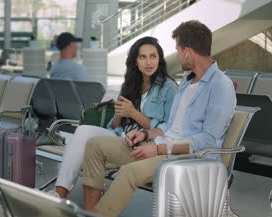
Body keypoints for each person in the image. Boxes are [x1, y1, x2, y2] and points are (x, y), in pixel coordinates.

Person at [82, 20, 236, 217]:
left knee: (129, 172)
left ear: (187, 51)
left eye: (178, 51)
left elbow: (206, 140)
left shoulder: (220, 86)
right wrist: (145, 133)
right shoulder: (187, 81)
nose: (178, 56)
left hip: (188, 158)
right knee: (95, 145)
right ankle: (88, 216)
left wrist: (157, 149)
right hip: (160, 146)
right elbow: (170, 127)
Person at [49, 36, 177, 198]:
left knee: (91, 143)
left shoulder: (168, 88)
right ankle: (60, 191)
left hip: (146, 144)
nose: (149, 62)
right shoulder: (130, 85)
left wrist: (133, 113)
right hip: (120, 137)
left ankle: (80, 196)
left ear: (160, 59)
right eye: (142, 57)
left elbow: (168, 129)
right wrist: (119, 114)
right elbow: (114, 127)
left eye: (153, 56)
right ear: (135, 61)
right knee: (83, 131)